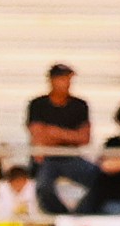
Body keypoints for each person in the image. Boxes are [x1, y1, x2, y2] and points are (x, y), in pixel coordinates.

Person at [27, 63, 98, 215]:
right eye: (62, 79)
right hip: (48, 158)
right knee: (43, 187)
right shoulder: (38, 104)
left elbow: (85, 138)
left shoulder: (80, 105)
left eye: (68, 79)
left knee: (101, 178)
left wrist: (53, 132)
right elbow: (37, 135)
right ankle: (61, 217)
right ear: (52, 80)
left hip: (71, 157)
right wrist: (71, 136)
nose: (66, 83)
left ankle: (79, 215)